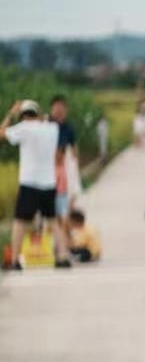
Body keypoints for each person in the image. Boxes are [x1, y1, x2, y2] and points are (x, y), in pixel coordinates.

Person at [1, 99, 70, 270]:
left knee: (20, 222)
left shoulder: (23, 128)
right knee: (53, 220)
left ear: (23, 115)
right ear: (37, 113)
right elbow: (49, 120)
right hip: (49, 183)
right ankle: (62, 256)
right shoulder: (51, 129)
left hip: (29, 183)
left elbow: (1, 133)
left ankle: (15, 260)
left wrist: (11, 113)